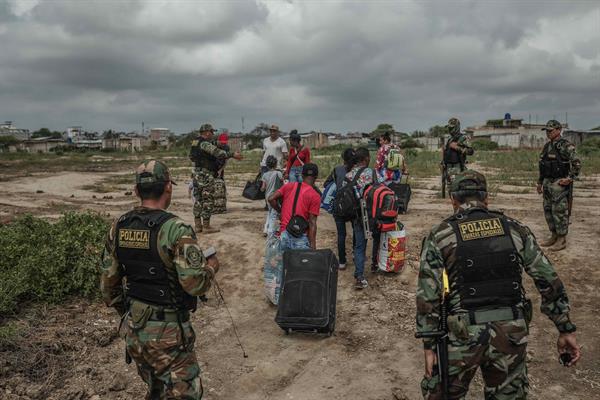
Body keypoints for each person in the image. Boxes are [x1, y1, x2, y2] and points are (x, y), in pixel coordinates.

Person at [417, 170, 580, 400]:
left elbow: (428, 294)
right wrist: (565, 328)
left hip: (463, 336)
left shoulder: (440, 235)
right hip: (511, 333)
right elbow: (548, 279)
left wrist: (429, 343)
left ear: (453, 199)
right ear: (486, 198)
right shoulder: (515, 229)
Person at [101, 159, 220, 400]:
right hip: (169, 334)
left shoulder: (119, 226)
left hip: (135, 330)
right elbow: (195, 284)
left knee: (155, 390)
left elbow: (108, 286)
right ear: (168, 187)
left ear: (136, 191)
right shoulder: (176, 229)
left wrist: (132, 313)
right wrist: (210, 267)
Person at [536, 119, 581, 252]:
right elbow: (542, 166)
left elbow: (577, 163)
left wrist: (570, 178)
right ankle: (554, 235)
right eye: (547, 131)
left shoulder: (566, 145)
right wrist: (539, 182)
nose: (548, 133)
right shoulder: (547, 146)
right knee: (548, 210)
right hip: (547, 183)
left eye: (550, 131)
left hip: (559, 183)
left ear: (558, 130)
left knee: (559, 211)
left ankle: (561, 239)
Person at [189, 123, 242, 233]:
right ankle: (207, 226)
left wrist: (219, 143)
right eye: (212, 132)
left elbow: (192, 156)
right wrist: (232, 154)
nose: (213, 134)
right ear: (207, 132)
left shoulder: (195, 142)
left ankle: (198, 226)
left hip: (197, 173)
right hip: (206, 174)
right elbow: (218, 153)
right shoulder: (204, 144)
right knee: (207, 199)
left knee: (197, 199)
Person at [268, 163, 321, 250]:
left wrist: (280, 211)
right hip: (301, 237)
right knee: (300, 263)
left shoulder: (288, 186)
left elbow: (271, 199)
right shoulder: (315, 196)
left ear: (302, 175)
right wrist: (313, 245)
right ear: (316, 177)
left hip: (284, 233)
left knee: (283, 262)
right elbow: (312, 223)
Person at [343, 147, 374, 289]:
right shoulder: (372, 172)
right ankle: (375, 265)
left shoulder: (348, 176)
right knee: (378, 238)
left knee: (359, 246)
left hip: (357, 215)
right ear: (366, 159)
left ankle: (359, 276)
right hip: (373, 213)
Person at [324, 147, 356, 270]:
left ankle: (342, 261)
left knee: (341, 235)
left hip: (339, 207)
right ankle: (354, 253)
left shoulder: (337, 170)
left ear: (343, 159)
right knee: (356, 231)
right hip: (353, 207)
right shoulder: (358, 171)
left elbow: (326, 184)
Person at [442, 117, 474, 190]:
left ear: (457, 127)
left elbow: (471, 151)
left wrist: (458, 148)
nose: (449, 130)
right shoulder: (450, 139)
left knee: (458, 188)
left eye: (451, 128)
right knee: (450, 188)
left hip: (458, 166)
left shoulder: (463, 138)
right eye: (449, 128)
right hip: (448, 167)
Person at [261, 155, 283, 238]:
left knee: (270, 213)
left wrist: (262, 189)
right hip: (275, 197)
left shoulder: (265, 175)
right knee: (274, 214)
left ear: (267, 165)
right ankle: (270, 232)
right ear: (276, 164)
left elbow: (263, 188)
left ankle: (265, 230)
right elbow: (282, 184)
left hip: (267, 197)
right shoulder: (279, 173)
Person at [213, 132, 230, 214]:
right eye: (222, 143)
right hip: (212, 167)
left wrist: (221, 170)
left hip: (220, 168)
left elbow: (226, 160)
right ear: (218, 141)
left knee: (221, 186)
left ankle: (222, 206)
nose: (223, 144)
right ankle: (212, 206)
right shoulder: (213, 146)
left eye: (224, 143)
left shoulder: (226, 148)